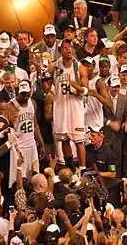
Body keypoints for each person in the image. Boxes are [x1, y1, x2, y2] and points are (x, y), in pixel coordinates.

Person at [42, 38, 88, 172]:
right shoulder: (54, 66)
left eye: (70, 47)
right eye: (66, 47)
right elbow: (46, 88)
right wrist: (41, 74)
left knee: (79, 141)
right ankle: (71, 169)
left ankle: (83, 169)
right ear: (60, 50)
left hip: (75, 107)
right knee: (64, 139)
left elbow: (86, 90)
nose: (69, 50)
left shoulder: (79, 67)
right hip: (60, 106)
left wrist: (77, 87)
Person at [11, 80, 45, 178]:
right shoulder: (12, 105)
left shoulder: (33, 103)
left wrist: (41, 143)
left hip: (31, 144)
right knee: (21, 176)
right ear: (18, 92)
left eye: (27, 94)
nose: (26, 97)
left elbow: (35, 124)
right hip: (19, 146)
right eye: (23, 94)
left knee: (35, 174)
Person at [104, 76, 127, 177]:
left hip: (118, 136)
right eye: (114, 86)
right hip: (105, 135)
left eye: (118, 87)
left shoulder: (124, 98)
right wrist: (109, 122)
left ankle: (118, 185)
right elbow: (97, 116)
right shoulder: (103, 98)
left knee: (118, 161)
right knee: (106, 161)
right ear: (108, 86)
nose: (116, 89)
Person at [81, 56, 112, 131]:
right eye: (83, 66)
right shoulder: (78, 80)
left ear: (93, 67)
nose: (85, 68)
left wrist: (96, 95)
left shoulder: (98, 82)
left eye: (88, 66)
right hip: (82, 122)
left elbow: (109, 104)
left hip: (95, 124)